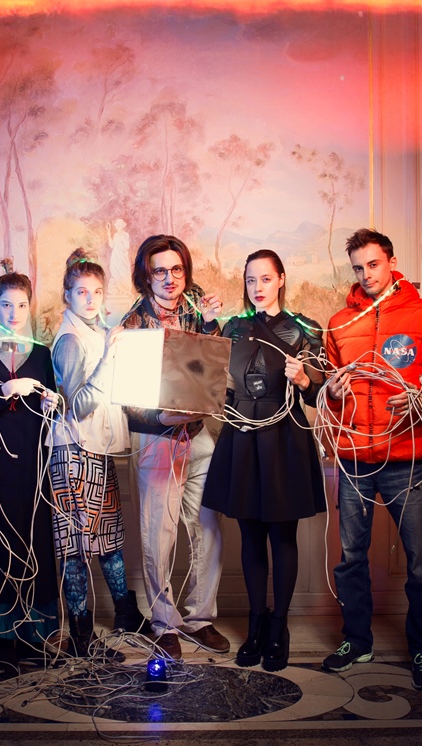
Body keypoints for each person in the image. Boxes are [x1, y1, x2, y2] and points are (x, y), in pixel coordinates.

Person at [320, 228, 422, 692]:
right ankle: (357, 641)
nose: (365, 275)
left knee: (420, 560)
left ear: (392, 262)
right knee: (351, 558)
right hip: (353, 460)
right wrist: (332, 391)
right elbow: (331, 393)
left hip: (407, 459)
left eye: (373, 264)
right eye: (358, 268)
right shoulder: (339, 323)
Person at [203, 250, 326, 672]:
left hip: (285, 437)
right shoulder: (232, 328)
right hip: (242, 436)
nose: (257, 287)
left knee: (282, 536)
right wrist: (207, 328)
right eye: (251, 280)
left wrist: (304, 379)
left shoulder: (306, 329)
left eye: (266, 279)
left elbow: (319, 394)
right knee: (251, 536)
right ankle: (255, 624)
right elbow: (213, 381)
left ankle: (278, 627)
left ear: (281, 279)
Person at [120, 234, 229, 660]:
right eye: (160, 271)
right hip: (156, 437)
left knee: (208, 528)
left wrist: (211, 326)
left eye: (177, 269)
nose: (170, 278)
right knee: (158, 535)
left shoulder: (198, 311)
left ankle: (200, 618)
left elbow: (214, 370)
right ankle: (164, 623)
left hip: (199, 433)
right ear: (146, 276)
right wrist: (159, 419)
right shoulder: (133, 324)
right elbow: (127, 396)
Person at [49, 249, 148, 659]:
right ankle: (81, 636)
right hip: (72, 451)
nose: (90, 299)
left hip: (97, 449)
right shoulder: (71, 339)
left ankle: (126, 612)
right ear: (67, 295)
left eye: (97, 292)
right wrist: (109, 357)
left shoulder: (98, 331)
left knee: (108, 537)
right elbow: (77, 406)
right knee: (74, 547)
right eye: (81, 292)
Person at [0, 271, 62, 677]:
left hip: (35, 464)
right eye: (6, 304)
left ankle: (33, 636)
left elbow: (49, 406)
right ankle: (4, 639)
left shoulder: (42, 353)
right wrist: (4, 392)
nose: (14, 313)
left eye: (22, 304)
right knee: (0, 543)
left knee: (36, 541)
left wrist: (52, 402)